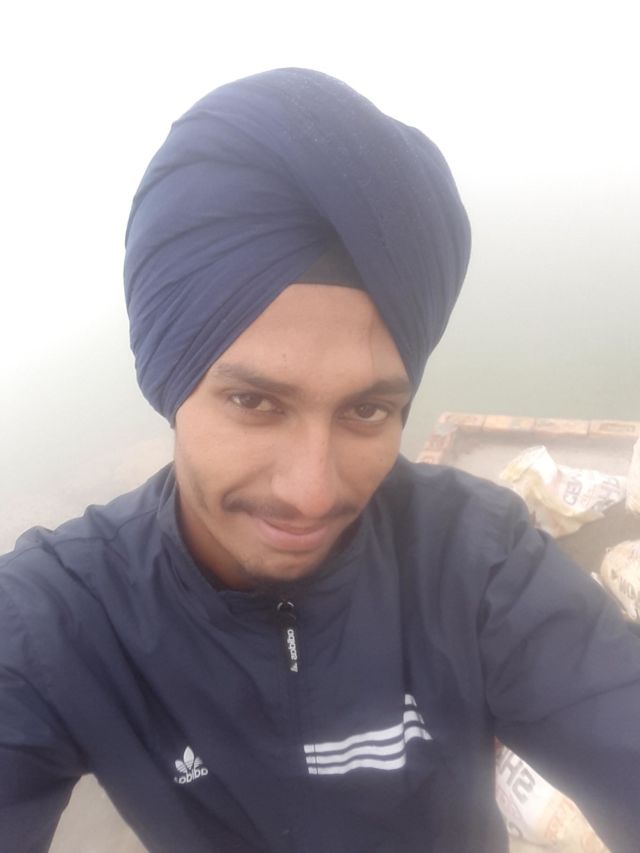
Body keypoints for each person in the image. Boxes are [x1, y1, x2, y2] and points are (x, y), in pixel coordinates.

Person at [1, 68, 639, 853]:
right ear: (171, 385)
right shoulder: (62, 619)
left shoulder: (476, 566)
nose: (312, 491)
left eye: (367, 411)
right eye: (254, 401)